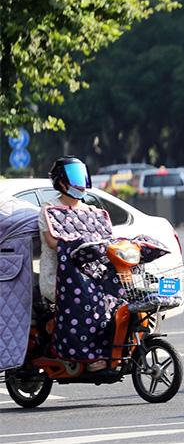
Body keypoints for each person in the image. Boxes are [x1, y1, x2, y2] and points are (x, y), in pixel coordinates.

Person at [39, 157, 107, 372]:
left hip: (87, 274)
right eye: (75, 178)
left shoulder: (89, 211)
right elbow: (52, 242)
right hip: (59, 276)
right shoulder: (49, 209)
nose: (80, 184)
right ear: (61, 182)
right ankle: (85, 353)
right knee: (85, 296)